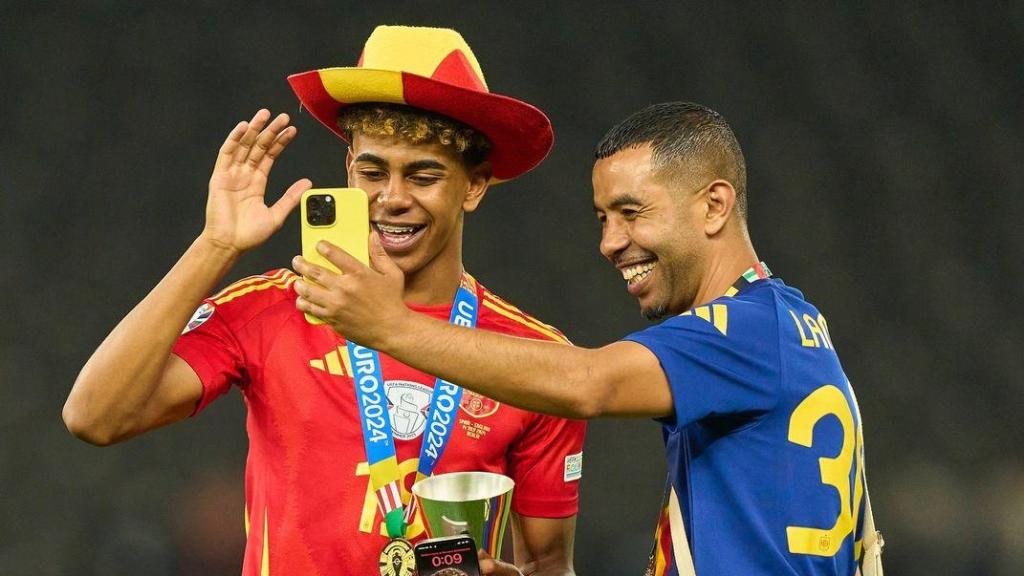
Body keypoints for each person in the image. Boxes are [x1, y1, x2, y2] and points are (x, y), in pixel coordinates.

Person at [63, 26, 585, 576]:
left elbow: (549, 564)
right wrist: (215, 245)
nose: (393, 198)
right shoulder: (274, 308)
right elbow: (95, 416)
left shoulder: (534, 358)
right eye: (373, 171)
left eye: (424, 175)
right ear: (348, 170)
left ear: (474, 185)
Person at [294, 102, 884, 576]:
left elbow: (587, 383)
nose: (610, 241)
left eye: (631, 212)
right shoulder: (789, 325)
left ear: (714, 205)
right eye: (604, 218)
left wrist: (388, 327)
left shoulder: (746, 329)